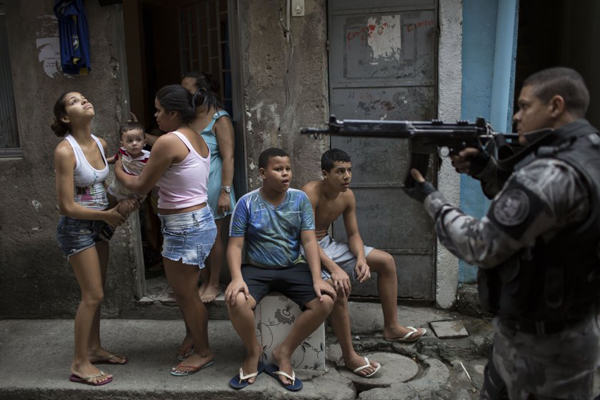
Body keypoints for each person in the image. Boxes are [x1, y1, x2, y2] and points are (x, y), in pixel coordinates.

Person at [406, 67, 600, 399]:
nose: (516, 115)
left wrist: (429, 197)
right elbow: (548, 217)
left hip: (544, 349)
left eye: (525, 106)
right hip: (564, 327)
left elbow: (480, 245)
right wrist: (488, 170)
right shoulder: (587, 153)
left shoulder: (551, 172)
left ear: (555, 105)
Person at [115, 85, 217, 377]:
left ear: (173, 113)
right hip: (196, 221)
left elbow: (140, 186)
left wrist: (118, 169)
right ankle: (192, 337)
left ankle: (204, 351)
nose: (155, 116)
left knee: (186, 294)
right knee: (186, 291)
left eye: (159, 110)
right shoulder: (196, 137)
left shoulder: (168, 142)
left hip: (185, 226)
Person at [301, 149, 427, 378]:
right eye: (340, 171)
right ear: (325, 173)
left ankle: (392, 327)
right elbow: (306, 239)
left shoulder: (347, 195)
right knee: (339, 289)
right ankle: (349, 356)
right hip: (304, 249)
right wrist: (335, 268)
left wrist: (360, 259)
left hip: (328, 245)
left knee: (386, 261)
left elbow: (353, 235)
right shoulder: (309, 194)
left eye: (349, 170)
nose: (347, 176)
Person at [224, 148, 336, 391]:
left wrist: (317, 278)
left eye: (288, 168)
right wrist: (235, 278)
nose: (285, 174)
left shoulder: (300, 200)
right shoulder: (247, 203)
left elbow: (308, 241)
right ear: (263, 173)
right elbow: (235, 246)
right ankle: (253, 352)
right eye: (278, 169)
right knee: (236, 300)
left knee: (325, 301)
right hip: (257, 268)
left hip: (293, 267)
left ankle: (283, 352)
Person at [53, 92, 135, 386]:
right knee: (93, 295)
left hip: (99, 225)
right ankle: (79, 363)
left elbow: (102, 186)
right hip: (76, 228)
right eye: (75, 101)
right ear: (65, 117)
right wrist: (106, 215)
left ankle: (95, 349)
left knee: (97, 293)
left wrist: (120, 202)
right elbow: (66, 205)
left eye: (84, 97)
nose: (84, 101)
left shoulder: (100, 144)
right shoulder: (65, 151)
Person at [182, 71, 236, 303]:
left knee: (213, 237)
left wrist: (225, 192)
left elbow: (229, 157)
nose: (184, 95)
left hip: (214, 186)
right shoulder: (188, 118)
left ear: (202, 93)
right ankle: (203, 280)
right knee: (196, 237)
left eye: (188, 91)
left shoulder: (220, 119)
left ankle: (214, 283)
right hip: (192, 188)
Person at [98, 121, 150, 241]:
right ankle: (101, 224)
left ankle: (110, 228)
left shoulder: (149, 158)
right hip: (116, 189)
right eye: (129, 141)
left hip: (133, 196)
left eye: (138, 140)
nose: (134, 143)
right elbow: (113, 159)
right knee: (106, 207)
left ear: (145, 142)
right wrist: (102, 162)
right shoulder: (122, 153)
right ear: (123, 144)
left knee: (125, 208)